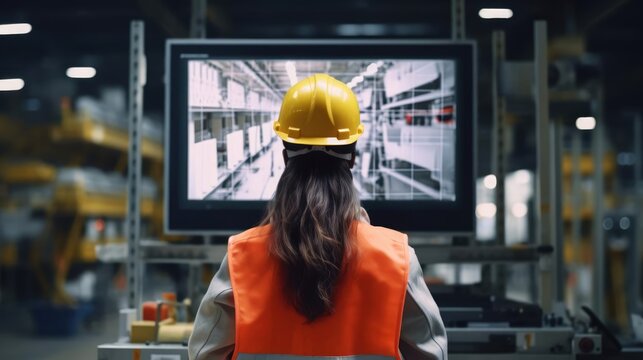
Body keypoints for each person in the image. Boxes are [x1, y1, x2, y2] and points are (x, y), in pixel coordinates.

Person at [189, 73, 447, 360]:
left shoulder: (242, 256)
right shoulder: (396, 259)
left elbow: (204, 354)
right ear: (351, 157)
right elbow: (432, 355)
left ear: (286, 157)